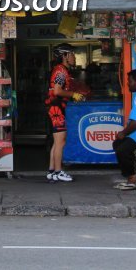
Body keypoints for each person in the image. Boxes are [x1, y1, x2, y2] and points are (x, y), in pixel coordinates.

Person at [45, 43, 86, 182]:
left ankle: (52, 171)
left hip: (55, 107)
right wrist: (73, 94)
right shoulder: (61, 71)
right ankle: (58, 171)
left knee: (57, 142)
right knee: (60, 141)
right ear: (64, 56)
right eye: (72, 54)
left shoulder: (61, 70)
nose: (74, 57)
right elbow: (57, 91)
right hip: (56, 108)